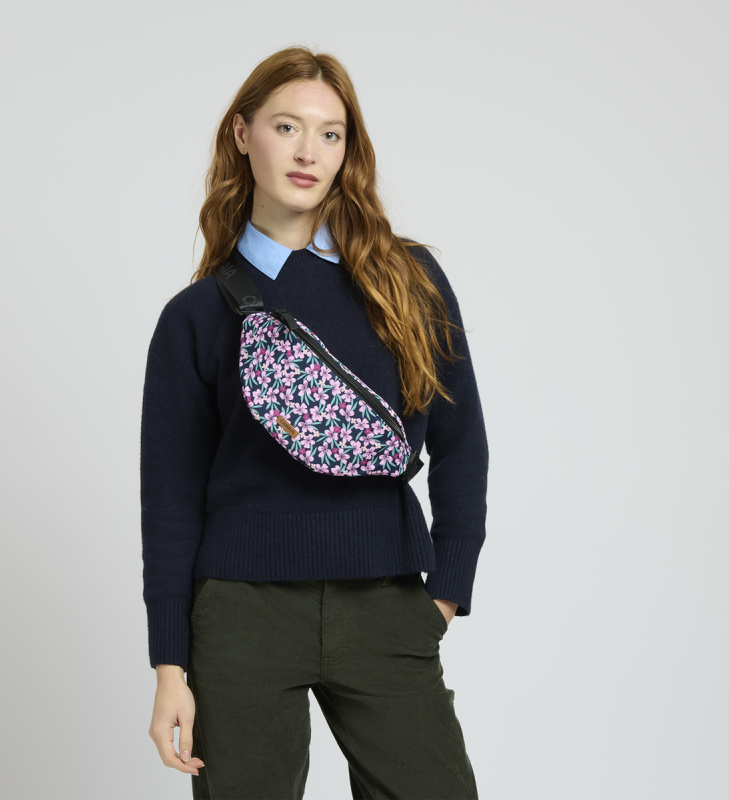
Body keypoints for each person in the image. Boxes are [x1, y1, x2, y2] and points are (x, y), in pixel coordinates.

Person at [141, 45, 489, 800]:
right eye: (287, 127)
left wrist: (445, 592)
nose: (309, 152)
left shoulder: (409, 279)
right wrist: (170, 666)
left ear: (347, 150)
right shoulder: (197, 315)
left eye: (330, 134)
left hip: (385, 600)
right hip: (241, 615)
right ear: (243, 134)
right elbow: (169, 502)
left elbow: (463, 443)